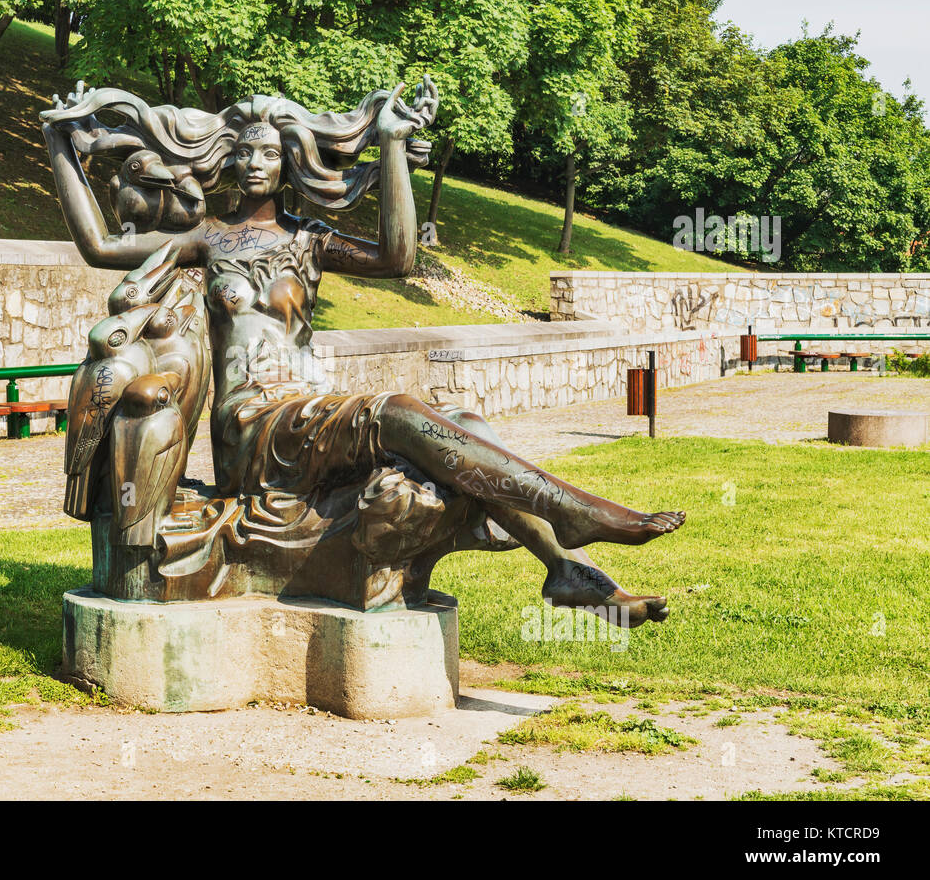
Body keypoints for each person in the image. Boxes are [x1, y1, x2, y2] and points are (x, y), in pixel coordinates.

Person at [43, 79, 682, 627]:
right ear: (227, 162)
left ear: (291, 161)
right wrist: (58, 146)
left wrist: (395, 147)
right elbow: (100, 244)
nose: (256, 163)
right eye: (244, 152)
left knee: (465, 426)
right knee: (401, 410)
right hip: (254, 426)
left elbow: (398, 258)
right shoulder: (206, 239)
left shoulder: (311, 240)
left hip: (308, 405)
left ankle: (568, 570)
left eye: (270, 151)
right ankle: (571, 513)